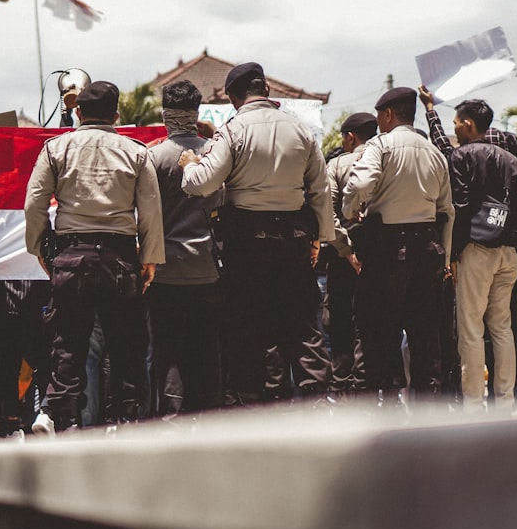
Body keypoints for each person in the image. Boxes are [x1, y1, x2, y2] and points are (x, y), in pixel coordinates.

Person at [180, 62, 334, 405]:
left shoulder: (233, 130)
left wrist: (191, 163)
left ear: (234, 97)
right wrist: (319, 238)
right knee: (304, 325)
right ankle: (319, 400)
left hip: (248, 241)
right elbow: (321, 191)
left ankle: (266, 404)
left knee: (254, 327)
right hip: (295, 236)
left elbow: (201, 183)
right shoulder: (301, 130)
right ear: (266, 90)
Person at [24, 80, 165, 431]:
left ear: (78, 112)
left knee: (67, 342)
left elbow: (34, 204)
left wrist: (40, 248)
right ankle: (124, 419)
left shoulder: (56, 148)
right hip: (120, 259)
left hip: (72, 256)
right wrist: (149, 259)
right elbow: (150, 211)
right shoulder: (136, 152)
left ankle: (62, 417)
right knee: (125, 346)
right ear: (116, 116)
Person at [341, 86, 454, 402]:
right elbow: (447, 210)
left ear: (388, 114)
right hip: (428, 250)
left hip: (387, 249)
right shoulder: (434, 152)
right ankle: (426, 412)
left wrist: (352, 210)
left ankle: (384, 407)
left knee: (379, 333)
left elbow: (360, 183)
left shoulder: (381, 145)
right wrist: (443, 260)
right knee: (425, 338)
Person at [440, 99, 517, 412]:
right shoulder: (513, 160)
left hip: (476, 248)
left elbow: (461, 206)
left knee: (470, 329)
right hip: (508, 251)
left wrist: (453, 253)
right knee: (501, 327)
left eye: (456, 123)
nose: (454, 129)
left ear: (468, 123)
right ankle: (505, 402)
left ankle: (472, 405)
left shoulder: (461, 155)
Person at [146, 80, 224, 416]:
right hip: (209, 267)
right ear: (197, 114)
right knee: (207, 347)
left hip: (164, 270)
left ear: (165, 115)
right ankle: (206, 418)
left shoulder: (152, 156)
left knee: (167, 349)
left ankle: (171, 417)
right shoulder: (216, 154)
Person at [324, 112, 379, 393]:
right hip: (380, 254)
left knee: (341, 321)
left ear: (350, 137)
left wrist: (345, 250)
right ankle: (367, 384)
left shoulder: (336, 165)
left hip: (341, 256)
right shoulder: (386, 158)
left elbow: (327, 213)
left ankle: (342, 386)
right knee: (372, 322)